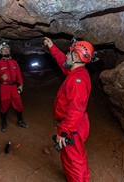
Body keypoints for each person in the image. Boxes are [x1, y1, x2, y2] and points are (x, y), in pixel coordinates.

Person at [44, 37, 95, 181]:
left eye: (69, 52)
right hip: (77, 124)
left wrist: (63, 132)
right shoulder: (76, 72)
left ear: (76, 57)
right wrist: (52, 47)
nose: (67, 54)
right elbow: (63, 62)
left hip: (73, 127)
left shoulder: (78, 80)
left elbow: (75, 110)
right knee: (78, 157)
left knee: (73, 162)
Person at [0, 42, 29, 132]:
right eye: (3, 50)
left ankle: (20, 121)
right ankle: (4, 123)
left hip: (14, 86)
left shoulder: (14, 62)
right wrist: (0, 77)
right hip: (4, 87)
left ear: (9, 50)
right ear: (1, 52)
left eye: (7, 49)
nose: (6, 50)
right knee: (4, 105)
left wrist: (21, 85)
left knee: (19, 104)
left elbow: (19, 75)